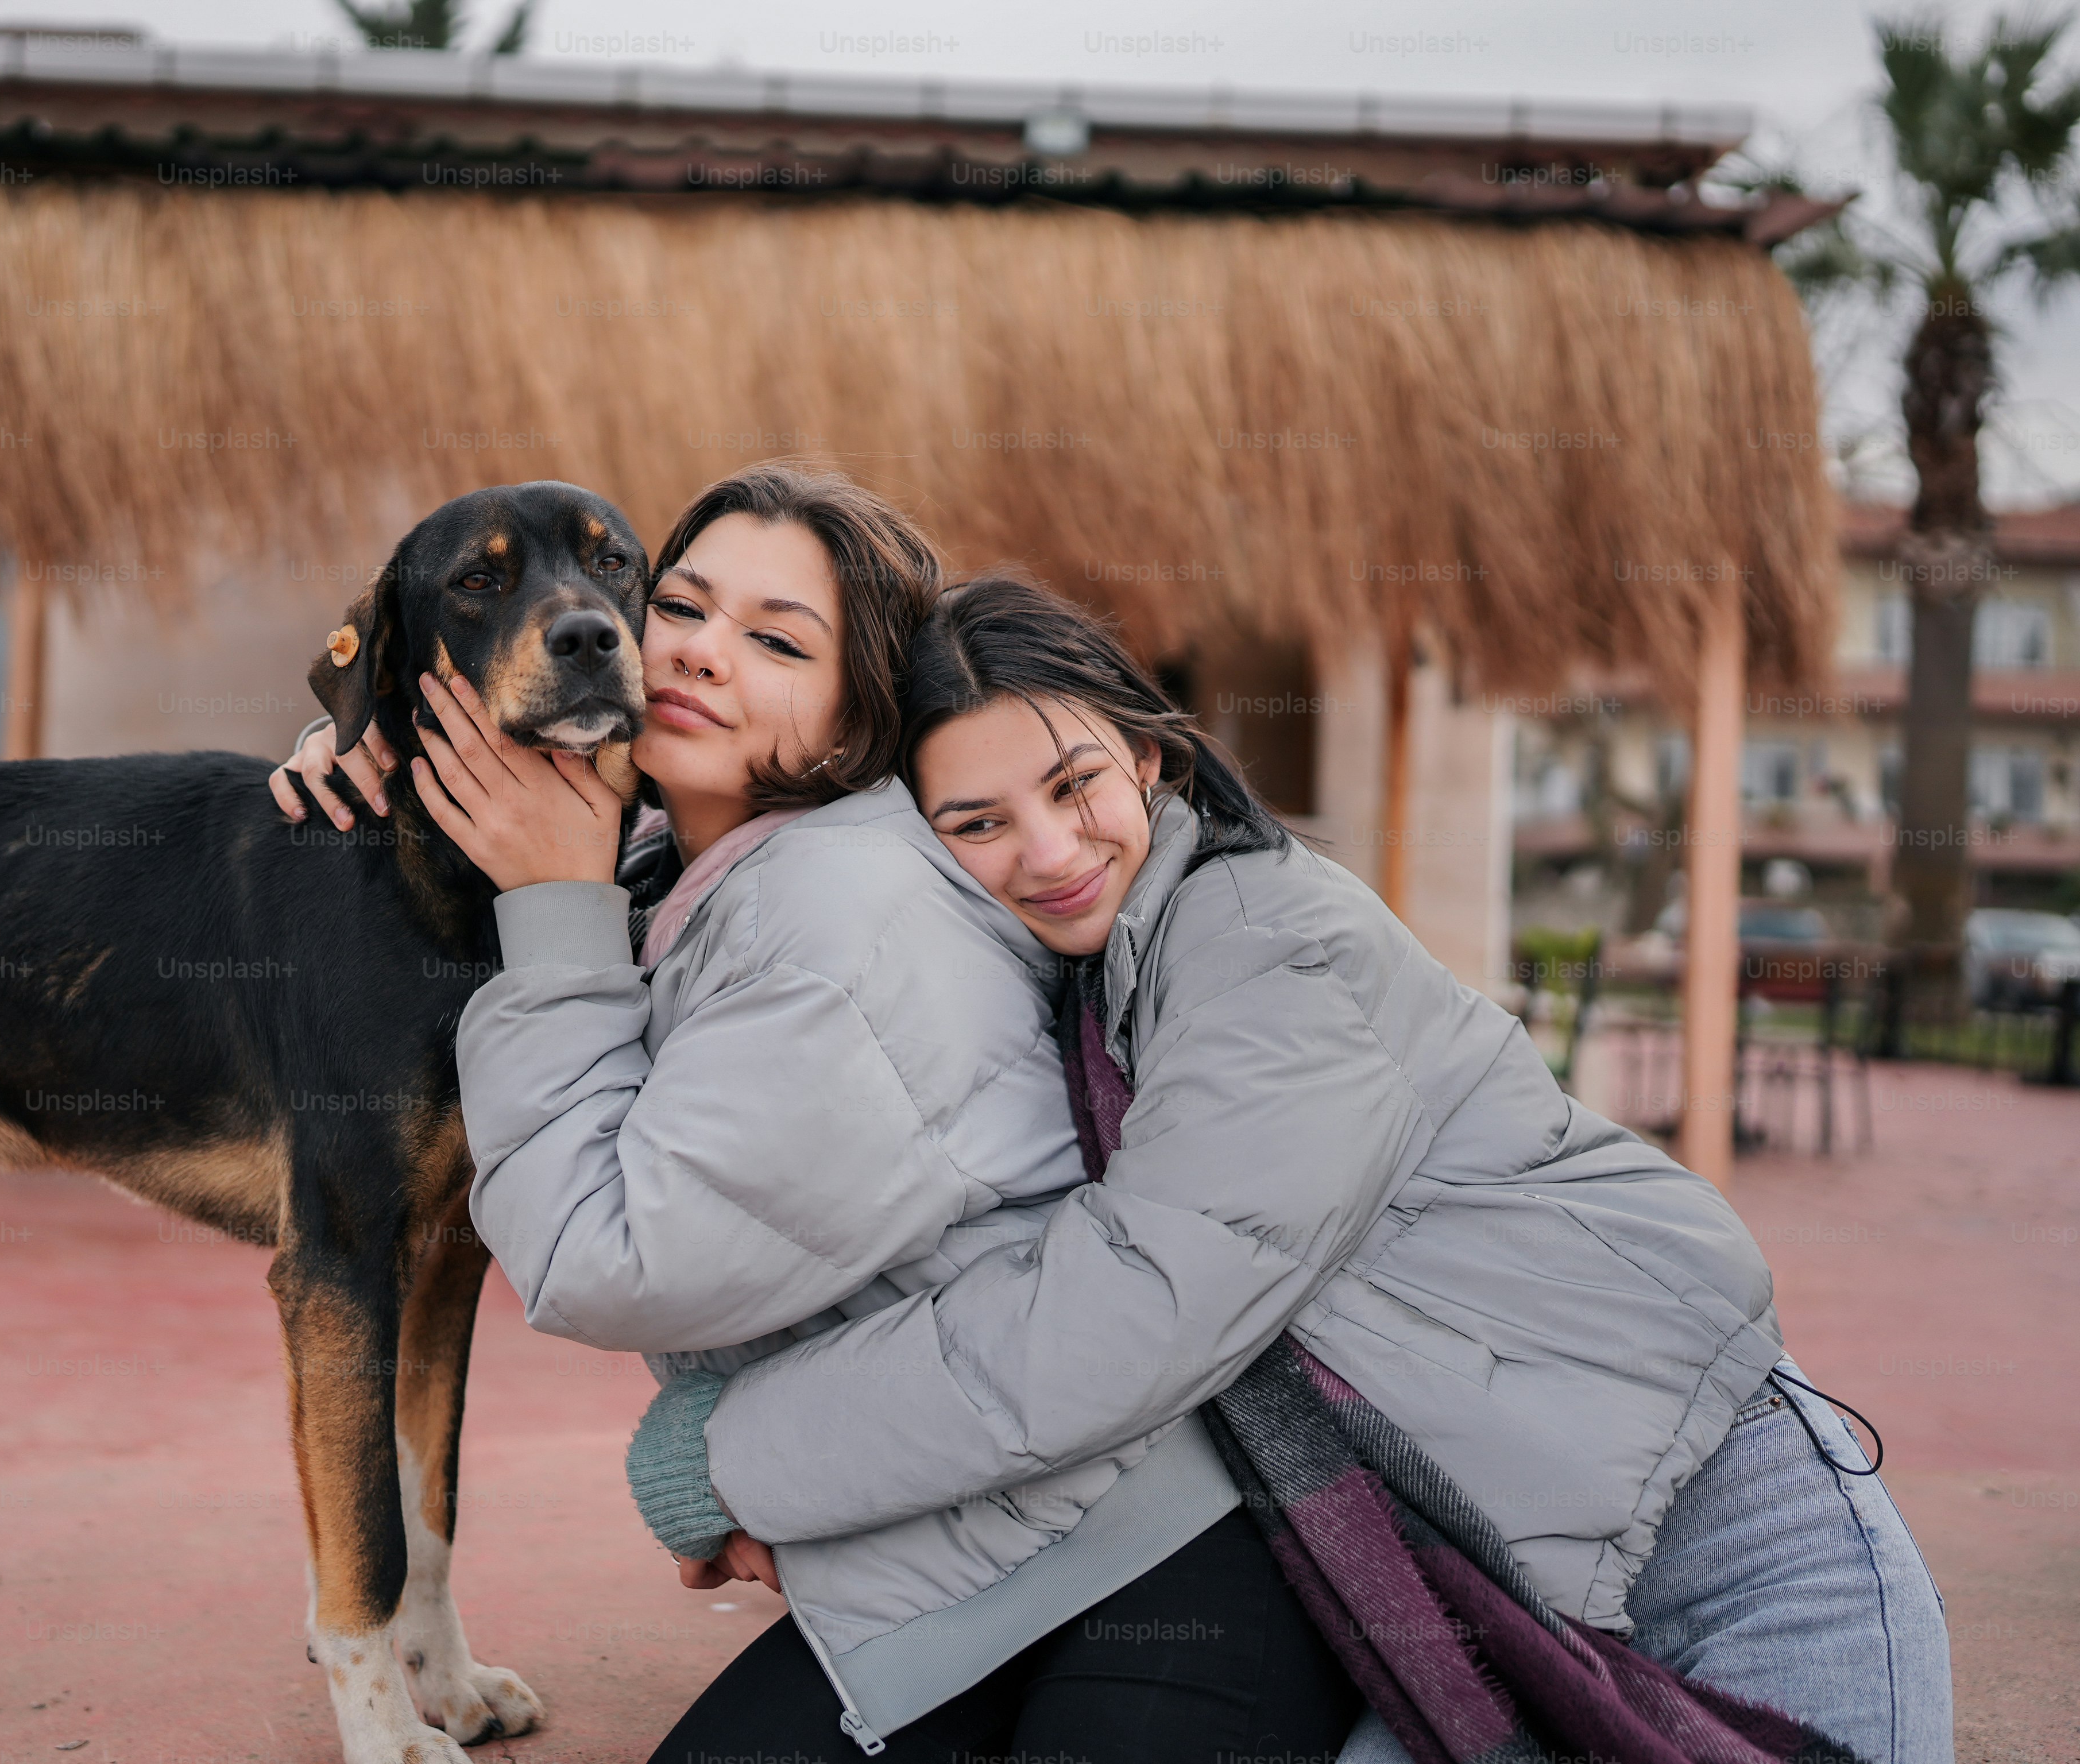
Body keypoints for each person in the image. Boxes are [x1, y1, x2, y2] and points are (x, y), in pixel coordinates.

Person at [654, 574, 1954, 1763]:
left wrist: (728, 1460)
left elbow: (1126, 1312)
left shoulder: (1264, 941)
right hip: (1476, 1570)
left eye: (1073, 785)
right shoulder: (1093, 980)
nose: (1045, 853)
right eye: (977, 822)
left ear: (1151, 755)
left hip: (1732, 1539)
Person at [273, 474, 1363, 1759]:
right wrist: (368, 744)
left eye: (779, 642)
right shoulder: (675, 871)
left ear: (856, 722)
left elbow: (598, 1266)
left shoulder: (841, 916)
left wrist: (550, 910)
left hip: (1153, 1546)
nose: (692, 650)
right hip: (947, 1545)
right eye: (679, 603)